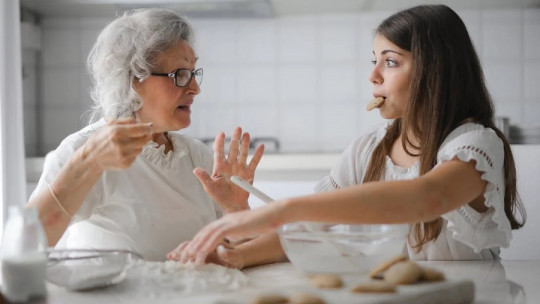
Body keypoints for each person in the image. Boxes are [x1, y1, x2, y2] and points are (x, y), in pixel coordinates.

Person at [170, 4, 526, 267]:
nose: (373, 76)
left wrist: (285, 208)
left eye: (390, 61)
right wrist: (236, 252)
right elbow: (312, 230)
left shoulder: (475, 145)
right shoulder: (367, 150)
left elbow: (428, 197)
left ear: (435, 70)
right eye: (374, 60)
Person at [26, 8, 264, 261]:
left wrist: (236, 209)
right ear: (132, 79)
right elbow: (26, 244)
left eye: (194, 73)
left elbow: (235, 253)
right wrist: (86, 164)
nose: (195, 88)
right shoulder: (85, 150)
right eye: (180, 75)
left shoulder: (195, 156)